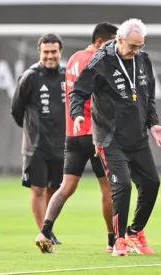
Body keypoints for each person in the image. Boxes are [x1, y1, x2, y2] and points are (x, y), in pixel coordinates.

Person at [69, 18, 161, 257]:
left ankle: (135, 232)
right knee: (122, 184)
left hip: (137, 137)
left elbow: (148, 96)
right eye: (132, 47)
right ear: (119, 39)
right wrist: (76, 114)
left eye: (140, 47)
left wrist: (153, 124)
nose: (136, 51)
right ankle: (118, 240)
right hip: (109, 138)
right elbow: (78, 91)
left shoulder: (143, 60)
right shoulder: (100, 62)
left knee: (152, 183)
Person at [35, 22, 118, 254]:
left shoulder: (73, 58)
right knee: (109, 189)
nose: (117, 47)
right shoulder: (99, 60)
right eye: (114, 41)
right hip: (95, 133)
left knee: (66, 187)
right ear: (100, 42)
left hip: (73, 134)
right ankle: (113, 242)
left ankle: (44, 231)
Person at [11, 33, 66, 245]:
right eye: (46, 52)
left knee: (55, 188)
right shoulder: (29, 77)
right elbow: (16, 110)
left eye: (54, 52)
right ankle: (45, 233)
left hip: (62, 144)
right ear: (39, 53)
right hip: (36, 145)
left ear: (60, 52)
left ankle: (48, 227)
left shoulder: (67, 75)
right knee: (38, 188)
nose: (50, 56)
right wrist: (31, 131)